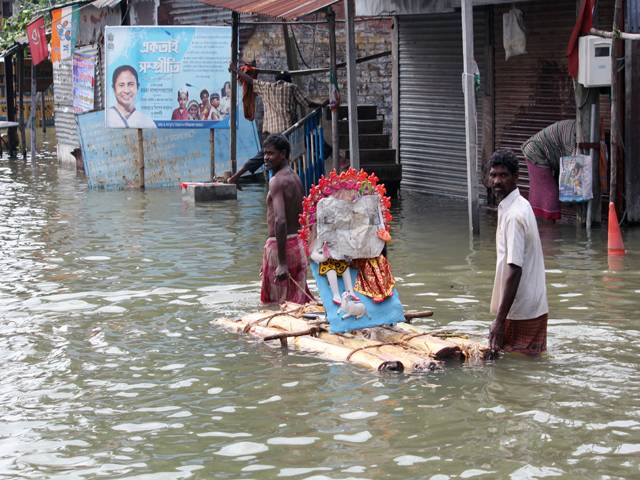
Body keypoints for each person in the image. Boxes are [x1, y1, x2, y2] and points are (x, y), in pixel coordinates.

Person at [488, 149, 549, 356]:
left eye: (503, 175)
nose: (497, 181)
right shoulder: (518, 205)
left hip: (521, 310)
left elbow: (514, 269)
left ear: (516, 177)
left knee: (515, 367)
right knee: (528, 366)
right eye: (493, 175)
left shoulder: (514, 215)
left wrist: (499, 320)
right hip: (531, 306)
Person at [227, 64, 321, 185]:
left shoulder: (267, 87)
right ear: (289, 80)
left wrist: (236, 70)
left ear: (276, 81)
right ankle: (292, 183)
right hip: (286, 131)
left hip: (270, 133)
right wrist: (322, 104)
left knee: (261, 157)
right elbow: (306, 103)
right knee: (291, 156)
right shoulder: (292, 87)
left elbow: (250, 80)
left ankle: (237, 176)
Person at [260, 134, 313, 305]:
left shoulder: (276, 181)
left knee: (275, 304)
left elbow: (280, 220)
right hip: (297, 245)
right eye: (265, 153)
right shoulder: (295, 177)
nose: (266, 158)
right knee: (298, 302)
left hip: (280, 247)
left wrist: (281, 263)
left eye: (270, 153)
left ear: (283, 154)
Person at [521, 119, 576, 220]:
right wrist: (570, 197)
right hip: (535, 152)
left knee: (544, 193)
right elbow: (570, 165)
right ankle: (547, 228)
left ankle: (541, 225)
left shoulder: (575, 130)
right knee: (549, 193)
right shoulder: (573, 134)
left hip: (543, 154)